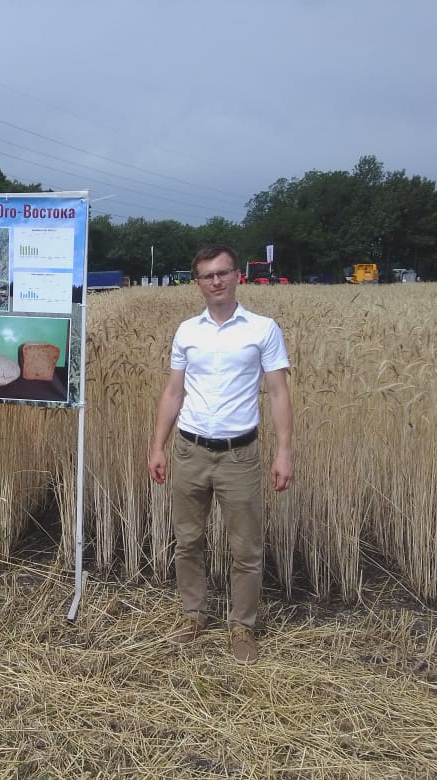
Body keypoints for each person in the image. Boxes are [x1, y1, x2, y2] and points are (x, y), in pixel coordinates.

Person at [147, 244, 293, 664]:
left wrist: (284, 452)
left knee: (245, 548)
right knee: (188, 541)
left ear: (236, 276)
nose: (216, 281)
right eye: (207, 275)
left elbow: (280, 392)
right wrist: (157, 445)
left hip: (239, 456)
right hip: (189, 451)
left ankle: (242, 627)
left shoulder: (263, 329)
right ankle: (193, 616)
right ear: (197, 283)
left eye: (223, 273)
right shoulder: (186, 331)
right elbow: (174, 391)